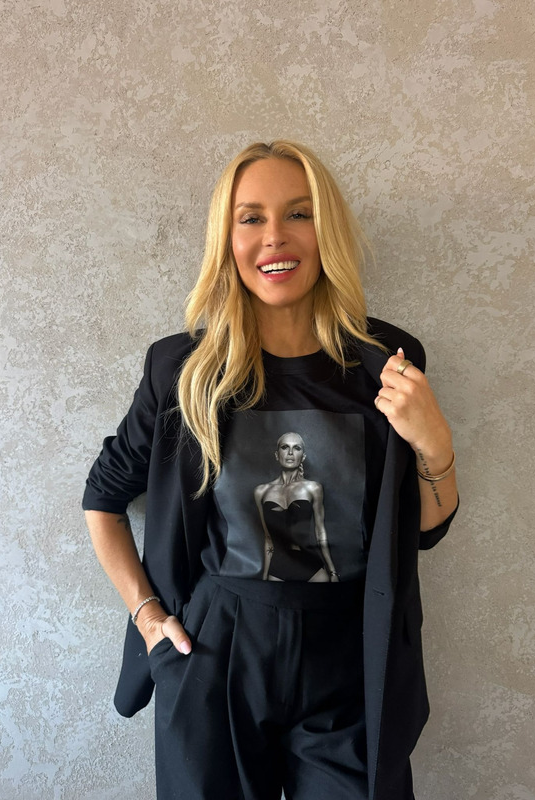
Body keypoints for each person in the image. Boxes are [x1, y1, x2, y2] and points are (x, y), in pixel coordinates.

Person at [83, 140, 459, 800]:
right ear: (226, 240)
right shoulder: (183, 372)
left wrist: (434, 443)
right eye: (251, 218)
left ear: (326, 230)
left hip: (348, 657)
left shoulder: (385, 363)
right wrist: (146, 615)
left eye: (299, 214)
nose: (274, 236)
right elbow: (103, 498)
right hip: (216, 653)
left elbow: (424, 528)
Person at [254, 431, 339, 582]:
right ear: (277, 455)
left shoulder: (313, 488)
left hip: (309, 565)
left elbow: (320, 532)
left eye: (297, 448)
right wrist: (265, 576)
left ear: (303, 457)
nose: (290, 452)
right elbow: (268, 538)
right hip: (279, 567)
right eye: (285, 447)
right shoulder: (261, 491)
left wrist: (332, 572)